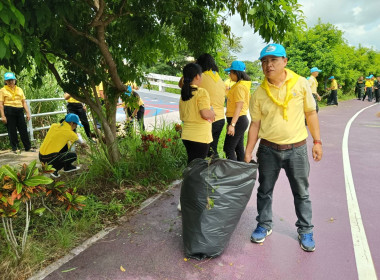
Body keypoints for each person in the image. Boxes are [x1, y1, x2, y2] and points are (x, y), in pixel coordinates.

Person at [244, 43, 323, 252]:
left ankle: (305, 229)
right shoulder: (259, 93)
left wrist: (317, 141)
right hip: (268, 149)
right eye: (264, 61)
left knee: (301, 192)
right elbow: (255, 124)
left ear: (285, 61)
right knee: (264, 190)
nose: (268, 65)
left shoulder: (300, 84)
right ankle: (264, 224)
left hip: (296, 149)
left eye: (273, 60)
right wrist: (248, 150)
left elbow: (311, 113)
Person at [179, 63, 215, 164]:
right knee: (197, 169)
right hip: (200, 137)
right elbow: (205, 114)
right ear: (197, 76)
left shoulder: (184, 93)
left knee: (191, 165)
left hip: (186, 135)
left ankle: (187, 179)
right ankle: (189, 180)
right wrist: (212, 113)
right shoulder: (201, 92)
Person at [195, 53, 226, 158]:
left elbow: (182, 84)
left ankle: (201, 172)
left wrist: (193, 69)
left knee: (201, 151)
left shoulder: (200, 77)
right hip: (220, 119)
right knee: (212, 150)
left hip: (208, 120)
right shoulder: (220, 80)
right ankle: (215, 171)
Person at [39, 113, 84, 178]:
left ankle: (67, 167)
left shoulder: (54, 126)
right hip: (49, 158)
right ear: (72, 123)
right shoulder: (70, 133)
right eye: (76, 125)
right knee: (73, 156)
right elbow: (82, 142)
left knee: (66, 145)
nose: (76, 127)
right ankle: (53, 170)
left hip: (41, 157)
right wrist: (80, 138)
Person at [0, 72, 35, 153]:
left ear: (15, 80)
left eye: (12, 80)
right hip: (9, 110)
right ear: (5, 81)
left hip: (19, 110)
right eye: (9, 80)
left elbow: (24, 102)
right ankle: (16, 148)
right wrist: (3, 116)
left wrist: (27, 112)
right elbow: (1, 105)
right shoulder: (2, 90)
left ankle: (27, 147)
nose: (11, 82)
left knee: (23, 129)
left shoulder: (19, 89)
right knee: (12, 130)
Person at [223, 61, 251, 161]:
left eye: (230, 72)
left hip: (238, 120)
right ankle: (241, 173)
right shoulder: (240, 85)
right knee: (238, 148)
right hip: (239, 120)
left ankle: (233, 173)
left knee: (228, 148)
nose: (229, 74)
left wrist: (233, 124)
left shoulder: (240, 87)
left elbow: (239, 106)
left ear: (236, 73)